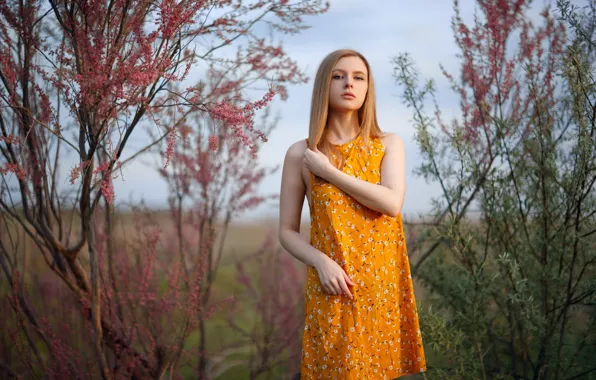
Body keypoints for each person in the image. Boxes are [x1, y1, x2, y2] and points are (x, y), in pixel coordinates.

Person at [278, 49, 427, 379]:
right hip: (334, 286)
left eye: (359, 77)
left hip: (381, 289)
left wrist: (328, 172)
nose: (350, 83)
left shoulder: (388, 144)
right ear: (324, 85)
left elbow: (390, 203)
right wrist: (320, 261)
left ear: (368, 87)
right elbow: (286, 231)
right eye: (339, 75)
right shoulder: (301, 154)